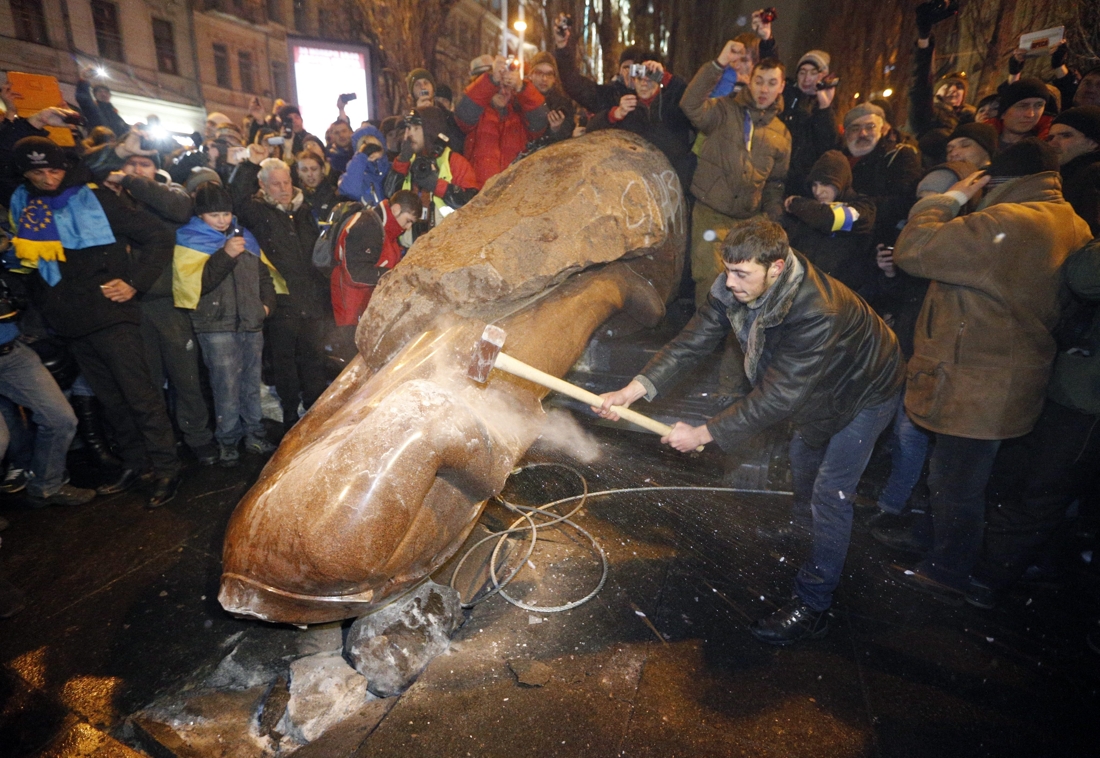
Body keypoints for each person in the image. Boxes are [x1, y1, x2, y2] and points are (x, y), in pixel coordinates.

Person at [594, 218, 904, 645]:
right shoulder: (734, 286)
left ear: (776, 268)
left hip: (867, 389)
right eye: (726, 270)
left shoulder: (817, 310)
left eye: (742, 274)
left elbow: (778, 397)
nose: (730, 282)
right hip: (818, 390)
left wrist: (703, 434)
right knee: (803, 463)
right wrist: (634, 389)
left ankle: (813, 604)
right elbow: (692, 342)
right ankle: (803, 533)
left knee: (830, 494)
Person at [879, 140, 1093, 604]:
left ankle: (946, 571)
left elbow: (913, 249)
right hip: (1006, 374)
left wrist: (946, 199)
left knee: (956, 480)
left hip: (975, 377)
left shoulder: (1007, 221)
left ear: (996, 182)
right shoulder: (1069, 221)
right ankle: (930, 544)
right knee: (961, 474)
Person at [9, 137, 183, 507]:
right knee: (111, 402)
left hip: (111, 315)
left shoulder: (94, 198)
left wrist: (134, 282)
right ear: (25, 174)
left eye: (54, 169)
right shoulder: (24, 207)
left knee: (141, 397)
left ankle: (167, 468)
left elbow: (159, 235)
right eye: (37, 172)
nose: (48, 178)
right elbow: (31, 271)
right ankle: (136, 465)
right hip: (69, 321)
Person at [967, 239, 1100, 608]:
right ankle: (1038, 564)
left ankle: (990, 577)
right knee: (1045, 487)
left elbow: (1086, 275)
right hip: (1074, 391)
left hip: (1085, 404)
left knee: (1041, 489)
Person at [85, 131, 219, 467]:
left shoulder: (165, 192)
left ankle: (198, 439)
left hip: (167, 303)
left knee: (186, 379)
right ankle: (163, 445)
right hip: (127, 308)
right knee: (147, 384)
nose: (136, 169)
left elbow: (181, 208)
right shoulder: (108, 199)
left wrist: (134, 182)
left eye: (144, 164)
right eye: (130, 164)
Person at [173, 184, 277, 466]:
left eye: (226, 213)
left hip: (249, 322)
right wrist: (225, 255)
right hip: (215, 325)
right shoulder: (189, 240)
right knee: (226, 386)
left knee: (251, 383)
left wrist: (265, 307)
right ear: (201, 215)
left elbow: (263, 275)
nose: (222, 220)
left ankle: (254, 434)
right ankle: (228, 441)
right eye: (214, 214)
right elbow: (197, 285)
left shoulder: (244, 238)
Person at [680, 49, 791, 306]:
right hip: (711, 212)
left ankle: (736, 344)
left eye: (772, 83)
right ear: (749, 81)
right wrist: (718, 63)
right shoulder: (723, 111)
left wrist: (772, 217)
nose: (764, 89)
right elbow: (690, 104)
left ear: (782, 86)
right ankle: (705, 342)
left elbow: (776, 182)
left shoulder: (781, 134)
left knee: (748, 288)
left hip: (748, 221)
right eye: (759, 81)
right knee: (711, 279)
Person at [229, 146, 328, 430]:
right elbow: (235, 198)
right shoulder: (257, 211)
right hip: (282, 298)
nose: (284, 189)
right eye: (276, 184)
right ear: (262, 185)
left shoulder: (304, 208)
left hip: (310, 297)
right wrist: (250, 164)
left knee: (313, 355)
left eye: (286, 182)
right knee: (284, 359)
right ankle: (289, 412)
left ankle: (315, 406)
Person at [0, 270, 94, 506]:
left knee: (59, 418)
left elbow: (21, 264)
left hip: (11, 352)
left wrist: (11, 244)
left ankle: (47, 485)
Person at [587, 53, 695, 191]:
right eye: (639, 79)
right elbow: (591, 130)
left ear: (659, 80)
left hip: (673, 185)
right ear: (633, 81)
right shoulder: (627, 106)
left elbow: (692, 97)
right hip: (638, 186)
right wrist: (616, 114)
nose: (644, 83)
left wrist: (667, 77)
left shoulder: (673, 104)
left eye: (650, 78)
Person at [781, 150, 876, 293]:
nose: (818, 191)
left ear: (841, 180)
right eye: (814, 185)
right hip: (805, 290)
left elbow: (830, 219)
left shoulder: (864, 208)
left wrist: (798, 204)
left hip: (839, 295)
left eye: (825, 183)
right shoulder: (810, 211)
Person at [456, 57, 548, 187]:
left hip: (513, 196)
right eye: (498, 88)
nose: (503, 92)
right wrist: (492, 80)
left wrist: (522, 87)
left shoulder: (520, 116)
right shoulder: (478, 115)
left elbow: (540, 122)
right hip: (480, 195)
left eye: (507, 87)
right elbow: (463, 114)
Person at [383, 107, 478, 231]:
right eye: (409, 128)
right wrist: (402, 159)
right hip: (410, 247)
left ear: (430, 130)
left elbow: (473, 203)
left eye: (416, 128)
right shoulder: (408, 161)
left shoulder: (454, 162)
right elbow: (389, 195)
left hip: (446, 243)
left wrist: (437, 185)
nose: (410, 133)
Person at [841, 103, 922, 246]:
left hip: (875, 244)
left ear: (883, 129)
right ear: (846, 134)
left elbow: (903, 201)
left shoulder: (900, 155)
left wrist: (854, 207)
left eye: (870, 127)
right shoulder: (839, 159)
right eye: (855, 128)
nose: (862, 134)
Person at [909, 1, 975, 140]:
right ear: (936, 91)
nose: (953, 90)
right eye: (948, 85)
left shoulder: (972, 119)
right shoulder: (929, 114)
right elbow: (921, 85)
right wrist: (924, 37)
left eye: (959, 87)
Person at [781, 50, 839, 196]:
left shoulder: (825, 109)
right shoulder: (786, 96)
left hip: (801, 186)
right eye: (802, 72)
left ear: (823, 76)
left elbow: (828, 145)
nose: (807, 78)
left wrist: (824, 106)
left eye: (813, 73)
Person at [553, 18, 637, 114]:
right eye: (626, 68)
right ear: (619, 70)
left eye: (636, 69)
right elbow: (575, 84)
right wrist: (563, 47)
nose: (631, 73)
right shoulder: (608, 95)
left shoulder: (652, 97)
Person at [1047, 105, 1100, 234]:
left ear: (1092, 142)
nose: (1053, 143)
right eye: (1050, 137)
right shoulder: (1063, 174)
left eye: (1066, 136)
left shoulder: (1094, 174)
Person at [406, 68, 465, 153]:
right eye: (417, 85)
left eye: (426, 82)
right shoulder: (407, 120)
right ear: (412, 93)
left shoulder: (448, 117)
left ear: (433, 89)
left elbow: (457, 145)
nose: (423, 87)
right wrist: (419, 115)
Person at [527, 52, 576, 144]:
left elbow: (567, 137)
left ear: (554, 78)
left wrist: (556, 129)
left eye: (549, 74)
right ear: (530, 75)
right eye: (539, 73)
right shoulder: (520, 98)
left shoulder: (562, 104)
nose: (544, 79)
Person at [990, 78, 1052, 148]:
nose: (1030, 114)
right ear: (1003, 113)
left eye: (1038, 105)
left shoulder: (1049, 147)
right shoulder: (981, 143)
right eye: (1022, 106)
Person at [338, 125, 391, 206]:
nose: (372, 151)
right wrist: (361, 157)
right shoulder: (356, 175)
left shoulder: (392, 169)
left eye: (375, 146)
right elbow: (351, 190)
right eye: (366, 148)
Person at [75, 67, 129, 138]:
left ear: (109, 95)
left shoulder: (114, 112)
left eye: (106, 92)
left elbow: (125, 129)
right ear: (95, 95)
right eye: (100, 92)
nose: (103, 94)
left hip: (114, 144)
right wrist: (83, 81)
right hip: (100, 144)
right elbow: (83, 99)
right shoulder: (93, 109)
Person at [295, 151, 346, 226]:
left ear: (322, 170)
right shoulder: (294, 197)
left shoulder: (335, 194)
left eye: (314, 169)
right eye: (304, 170)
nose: (310, 174)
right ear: (298, 172)